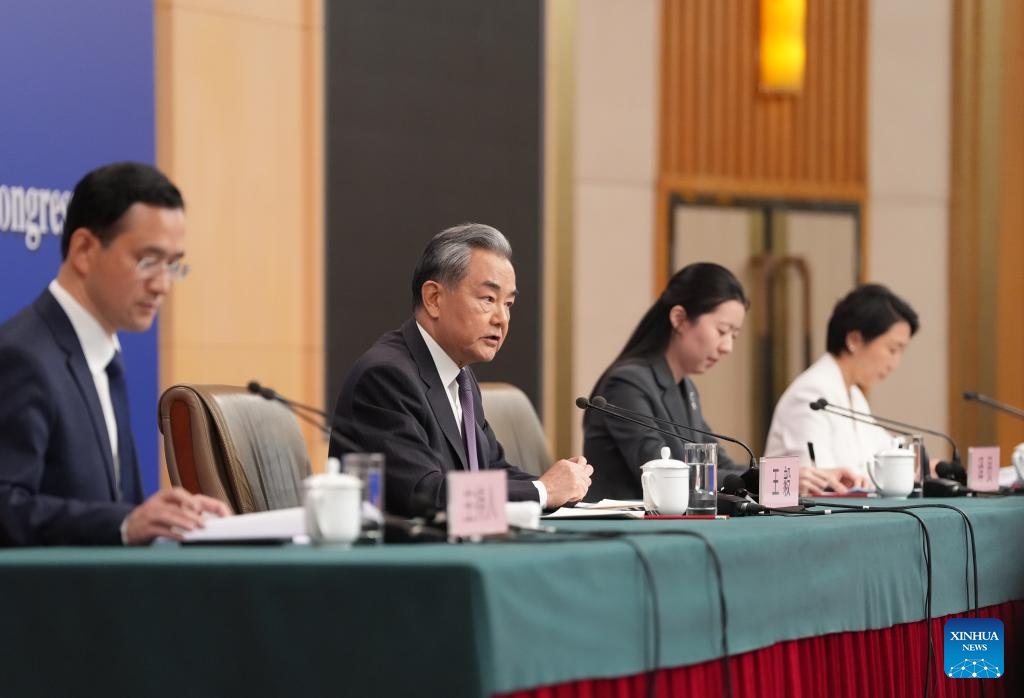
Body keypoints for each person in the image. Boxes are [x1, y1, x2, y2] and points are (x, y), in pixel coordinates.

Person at [0, 162, 230, 546]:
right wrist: (124, 523)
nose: (162, 285)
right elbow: (5, 506)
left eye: (173, 265)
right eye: (148, 261)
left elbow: (114, 505)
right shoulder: (23, 357)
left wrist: (164, 519)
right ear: (85, 250)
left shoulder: (104, 358)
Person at [330, 223, 592, 516]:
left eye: (509, 304)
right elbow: (423, 493)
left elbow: (490, 471)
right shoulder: (385, 377)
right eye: (488, 299)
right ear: (434, 298)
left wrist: (560, 490)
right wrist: (542, 491)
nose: (501, 319)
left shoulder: (459, 376)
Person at [583, 262, 750, 502]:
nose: (727, 347)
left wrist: (769, 477)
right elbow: (665, 474)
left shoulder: (686, 388)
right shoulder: (627, 384)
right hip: (627, 528)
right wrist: (754, 481)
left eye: (734, 336)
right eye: (722, 331)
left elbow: (717, 462)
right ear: (679, 318)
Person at [764, 283, 919, 495]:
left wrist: (921, 466)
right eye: (892, 349)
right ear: (854, 340)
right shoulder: (811, 394)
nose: (894, 364)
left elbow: (885, 455)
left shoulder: (854, 395)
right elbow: (822, 482)